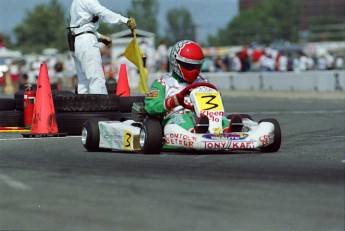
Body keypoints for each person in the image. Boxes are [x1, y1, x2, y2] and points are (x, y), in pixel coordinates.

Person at [144, 40, 243, 134]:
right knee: (184, 119)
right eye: (190, 66)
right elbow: (150, 106)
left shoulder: (203, 82)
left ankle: (228, 130)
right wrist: (172, 102)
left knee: (221, 119)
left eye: (197, 66)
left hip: (203, 116)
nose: (194, 70)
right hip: (176, 117)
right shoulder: (162, 83)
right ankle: (194, 133)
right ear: (176, 62)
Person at [69, 0, 136, 94]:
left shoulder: (75, 2)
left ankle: (84, 107)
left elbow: (79, 26)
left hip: (77, 41)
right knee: (96, 79)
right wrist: (124, 20)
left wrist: (100, 37)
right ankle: (100, 107)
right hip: (87, 41)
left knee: (84, 82)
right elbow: (103, 12)